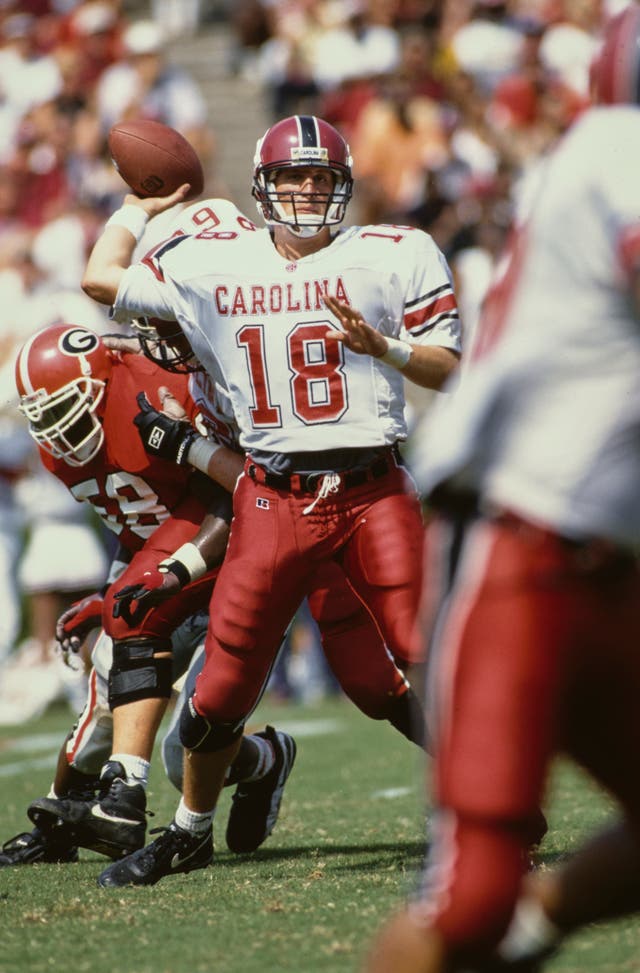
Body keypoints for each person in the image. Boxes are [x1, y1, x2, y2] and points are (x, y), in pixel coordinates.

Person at [80, 113, 461, 888]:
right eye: (293, 178)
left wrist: (381, 347)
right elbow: (100, 280)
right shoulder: (216, 263)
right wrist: (138, 208)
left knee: (420, 656)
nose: (308, 192)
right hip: (269, 494)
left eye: (322, 179)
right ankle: (190, 830)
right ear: (264, 188)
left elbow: (447, 365)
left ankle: (491, 811)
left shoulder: (394, 251)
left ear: (344, 186)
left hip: (370, 486)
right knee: (220, 686)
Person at [363, 5, 640, 971]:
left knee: (502, 908)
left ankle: (535, 927)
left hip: (613, 560)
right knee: (471, 888)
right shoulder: (617, 149)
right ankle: (502, 922)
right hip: (519, 545)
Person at [3, 322, 296, 867]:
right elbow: (139, 521)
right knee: (109, 675)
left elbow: (232, 497)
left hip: (237, 556)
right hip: (166, 561)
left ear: (102, 379)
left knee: (180, 753)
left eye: (66, 406)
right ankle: (68, 811)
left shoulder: (155, 391)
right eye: (43, 415)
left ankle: (264, 759)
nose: (57, 428)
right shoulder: (59, 452)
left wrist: (160, 575)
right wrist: (117, 590)